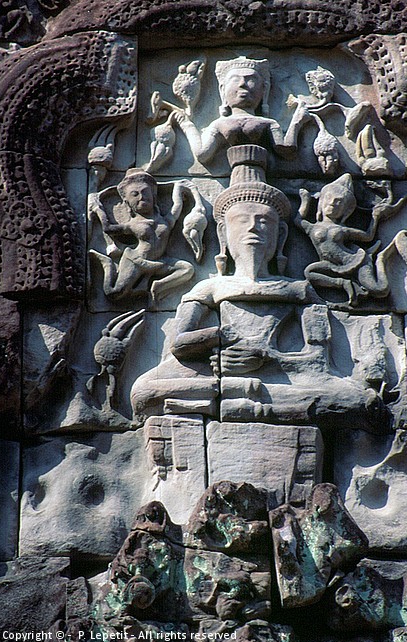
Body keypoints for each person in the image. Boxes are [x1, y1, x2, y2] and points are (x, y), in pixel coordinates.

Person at [131, 147, 388, 431]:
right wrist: (217, 344)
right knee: (143, 390)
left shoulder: (299, 290)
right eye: (242, 221)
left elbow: (318, 360)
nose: (253, 228)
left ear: (281, 235)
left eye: (264, 221)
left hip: (284, 378)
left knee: (354, 399)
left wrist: (267, 359)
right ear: (223, 234)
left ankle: (237, 398)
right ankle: (245, 396)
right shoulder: (209, 288)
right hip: (216, 370)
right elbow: (178, 345)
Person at [174, 57, 311, 163]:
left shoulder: (269, 123)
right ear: (222, 90)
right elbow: (202, 154)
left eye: (251, 79)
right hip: (235, 184)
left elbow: (287, 150)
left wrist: (297, 122)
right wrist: (187, 125)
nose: (242, 84)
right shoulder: (219, 124)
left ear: (264, 90)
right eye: (235, 80)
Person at [296, 173, 406, 304]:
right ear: (321, 201)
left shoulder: (343, 229)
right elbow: (298, 219)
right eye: (329, 198)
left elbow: (368, 236)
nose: (332, 203)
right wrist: (305, 200)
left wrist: (375, 218)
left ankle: (380, 259)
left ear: (346, 210)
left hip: (355, 261)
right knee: (309, 273)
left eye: (339, 202)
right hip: (330, 264)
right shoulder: (312, 227)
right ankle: (342, 283)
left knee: (380, 290)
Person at [89, 169, 198, 302]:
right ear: (127, 202)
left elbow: (177, 204)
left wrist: (178, 188)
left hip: (159, 262)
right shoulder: (132, 225)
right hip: (135, 261)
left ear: (154, 196)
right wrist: (98, 209)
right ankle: (107, 264)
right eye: (135, 194)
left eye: (145, 192)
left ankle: (157, 287)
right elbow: (108, 228)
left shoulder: (166, 220)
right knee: (113, 293)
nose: (141, 197)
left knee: (187, 269)